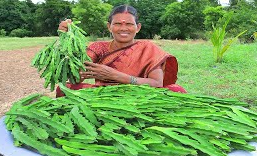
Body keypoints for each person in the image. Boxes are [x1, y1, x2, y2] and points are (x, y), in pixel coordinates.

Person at [56, 4, 186, 97]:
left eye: (129, 24)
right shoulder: (98, 48)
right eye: (118, 24)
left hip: (141, 95)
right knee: (64, 88)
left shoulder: (148, 48)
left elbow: (156, 83)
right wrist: (67, 38)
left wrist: (115, 76)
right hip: (103, 95)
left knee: (176, 90)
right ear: (109, 27)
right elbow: (76, 79)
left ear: (138, 27)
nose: (123, 28)